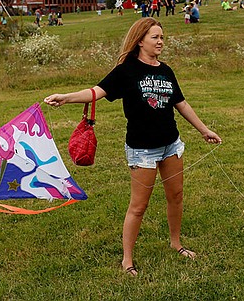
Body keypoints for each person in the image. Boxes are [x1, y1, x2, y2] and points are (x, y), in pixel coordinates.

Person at [43, 18, 221, 277]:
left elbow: (181, 104)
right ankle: (127, 259)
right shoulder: (126, 70)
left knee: (176, 196)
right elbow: (96, 91)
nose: (160, 42)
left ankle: (176, 243)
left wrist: (204, 130)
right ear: (140, 40)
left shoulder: (166, 71)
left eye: (162, 37)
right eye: (155, 37)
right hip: (142, 150)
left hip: (171, 145)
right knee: (138, 206)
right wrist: (66, 98)